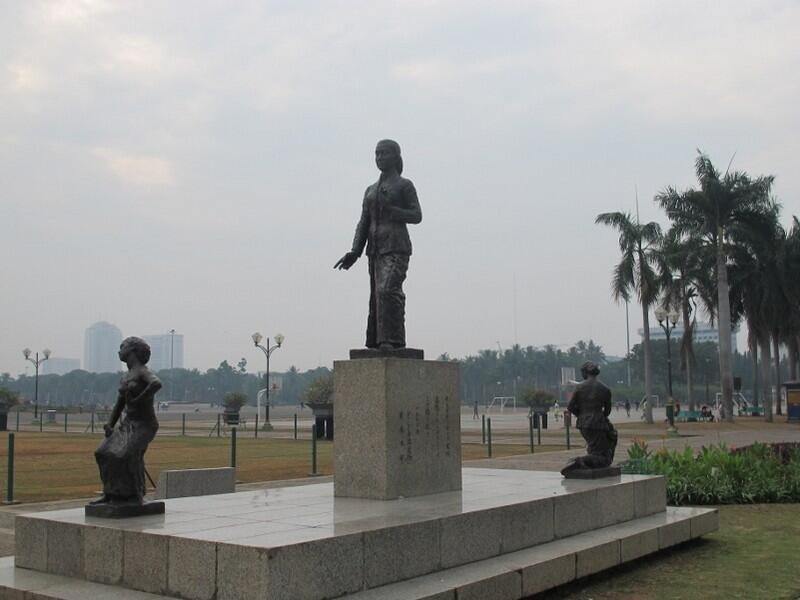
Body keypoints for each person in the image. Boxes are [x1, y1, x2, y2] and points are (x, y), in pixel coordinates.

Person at [334, 140, 422, 350]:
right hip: (374, 249)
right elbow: (364, 221)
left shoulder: (404, 185)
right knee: (376, 296)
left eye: (384, 154)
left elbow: (417, 215)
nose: (380, 158)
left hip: (396, 246)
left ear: (395, 157)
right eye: (377, 154)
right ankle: (378, 340)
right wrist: (354, 251)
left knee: (387, 290)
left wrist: (394, 211)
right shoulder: (370, 190)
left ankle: (392, 340)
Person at [91, 337, 161, 505]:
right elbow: (119, 403)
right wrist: (110, 424)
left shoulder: (142, 371)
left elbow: (156, 383)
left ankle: (136, 496)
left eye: (122, 347)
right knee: (102, 452)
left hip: (144, 424)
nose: (119, 350)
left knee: (126, 454)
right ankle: (111, 494)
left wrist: (139, 399)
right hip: (128, 423)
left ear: (132, 350)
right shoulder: (125, 377)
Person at [561, 361, 618, 475]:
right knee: (603, 457)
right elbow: (607, 411)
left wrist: (581, 415)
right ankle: (578, 461)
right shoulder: (605, 389)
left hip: (583, 424)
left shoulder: (579, 387)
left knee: (594, 450)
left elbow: (570, 406)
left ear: (585, 373)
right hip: (598, 423)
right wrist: (599, 416)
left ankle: (584, 463)